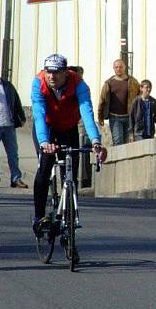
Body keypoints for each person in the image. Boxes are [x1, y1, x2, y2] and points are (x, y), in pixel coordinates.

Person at [31, 54, 106, 232]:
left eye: (56, 73)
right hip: (47, 128)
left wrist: (96, 141)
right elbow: (38, 113)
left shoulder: (79, 84)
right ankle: (39, 217)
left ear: (66, 72)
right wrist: (44, 142)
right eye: (48, 72)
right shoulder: (38, 83)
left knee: (71, 173)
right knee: (45, 166)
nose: (51, 76)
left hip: (68, 127)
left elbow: (87, 112)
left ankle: (69, 222)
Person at [97, 59, 139, 146]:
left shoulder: (133, 82)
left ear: (124, 68)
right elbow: (102, 100)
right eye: (116, 67)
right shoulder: (108, 83)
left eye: (120, 67)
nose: (118, 69)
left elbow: (139, 98)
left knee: (127, 143)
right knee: (118, 142)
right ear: (113, 68)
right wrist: (100, 117)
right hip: (115, 117)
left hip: (129, 117)